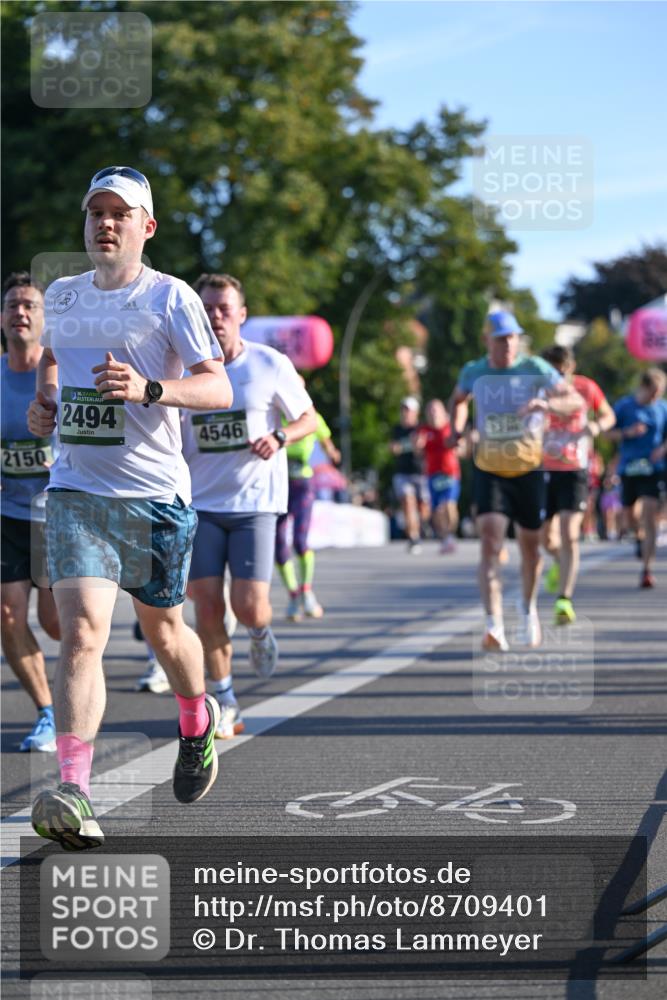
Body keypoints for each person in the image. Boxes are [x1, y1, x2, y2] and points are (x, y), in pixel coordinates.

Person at [27, 166, 232, 851]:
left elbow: (217, 390)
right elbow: (51, 361)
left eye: (121, 214)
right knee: (83, 633)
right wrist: (46, 402)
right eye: (96, 213)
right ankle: (75, 791)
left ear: (146, 227)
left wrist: (149, 389)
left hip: (154, 497)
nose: (105, 224)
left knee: (165, 632)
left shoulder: (170, 298)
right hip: (78, 492)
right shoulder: (63, 294)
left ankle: (195, 717)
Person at [183, 274, 316, 740]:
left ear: (241, 315)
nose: (216, 316)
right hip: (199, 505)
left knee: (250, 605)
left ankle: (260, 633)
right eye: (208, 309)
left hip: (254, 504)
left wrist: (279, 436)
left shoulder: (268, 364)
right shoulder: (183, 370)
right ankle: (225, 699)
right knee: (207, 610)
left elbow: (308, 418)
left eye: (224, 308)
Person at [449, 310, 584, 650]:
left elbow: (574, 399)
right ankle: (493, 624)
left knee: (531, 548)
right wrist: (456, 427)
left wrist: (546, 402)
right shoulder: (473, 371)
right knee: (491, 541)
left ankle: (527, 610)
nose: (508, 343)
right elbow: (459, 400)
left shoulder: (534, 368)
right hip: (490, 466)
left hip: (529, 468)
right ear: (487, 341)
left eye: (512, 337)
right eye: (501, 338)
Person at [1, 272, 60, 751]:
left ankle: (81, 683)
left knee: (58, 622)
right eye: (13, 305)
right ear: (2, 318)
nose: (21, 312)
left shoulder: (60, 373)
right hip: (7, 514)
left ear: (43, 318)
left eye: (29, 305)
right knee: (8, 614)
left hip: (56, 515)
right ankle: (46, 712)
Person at [539, 345, 615, 624]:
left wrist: (596, 427)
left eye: (561, 370)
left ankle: (564, 599)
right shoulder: (536, 389)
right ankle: (560, 562)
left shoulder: (585, 387)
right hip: (544, 468)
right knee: (545, 538)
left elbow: (608, 415)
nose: (556, 376)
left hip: (575, 468)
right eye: (550, 371)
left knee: (570, 533)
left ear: (570, 368)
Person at [275, 386, 341, 621]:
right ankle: (293, 596)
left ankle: (306, 591)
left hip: (303, 484)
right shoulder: (274, 416)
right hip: (278, 486)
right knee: (279, 545)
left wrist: (332, 452)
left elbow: (326, 440)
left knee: (300, 541)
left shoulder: (312, 416)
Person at [606, 368, 667, 588]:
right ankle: (639, 537)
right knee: (629, 517)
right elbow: (606, 432)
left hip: (653, 468)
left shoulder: (663, 408)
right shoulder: (624, 406)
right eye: (652, 392)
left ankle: (647, 570)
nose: (655, 397)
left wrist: (662, 449)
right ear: (642, 387)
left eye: (659, 393)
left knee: (650, 514)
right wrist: (627, 433)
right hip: (629, 469)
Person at [415, 398, 462, 554]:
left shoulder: (451, 427)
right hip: (432, 474)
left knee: (449, 504)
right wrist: (418, 445)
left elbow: (461, 448)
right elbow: (418, 451)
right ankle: (444, 537)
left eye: (436, 410)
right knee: (436, 509)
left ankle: (450, 534)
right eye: (430, 410)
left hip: (450, 472)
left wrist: (459, 445)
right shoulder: (424, 430)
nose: (433, 413)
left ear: (443, 412)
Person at [390, 397, 430, 553]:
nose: (406, 413)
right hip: (402, 473)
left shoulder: (421, 428)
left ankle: (422, 525)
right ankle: (413, 538)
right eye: (404, 409)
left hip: (420, 473)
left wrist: (408, 446)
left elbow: (421, 448)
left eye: (409, 410)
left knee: (424, 509)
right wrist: (410, 445)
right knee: (408, 502)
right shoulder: (397, 429)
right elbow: (394, 449)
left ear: (416, 412)